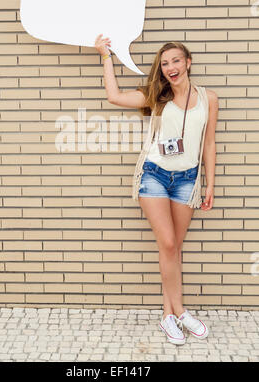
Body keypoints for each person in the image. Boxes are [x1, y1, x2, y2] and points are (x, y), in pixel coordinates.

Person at [94, 34, 219, 345]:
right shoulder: (156, 95)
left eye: (176, 60)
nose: (170, 67)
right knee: (167, 241)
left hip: (188, 180)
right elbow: (114, 96)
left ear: (188, 63)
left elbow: (209, 142)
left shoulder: (209, 99)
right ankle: (179, 309)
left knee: (173, 248)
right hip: (154, 176)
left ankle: (168, 315)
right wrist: (105, 56)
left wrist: (210, 185)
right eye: (164, 63)